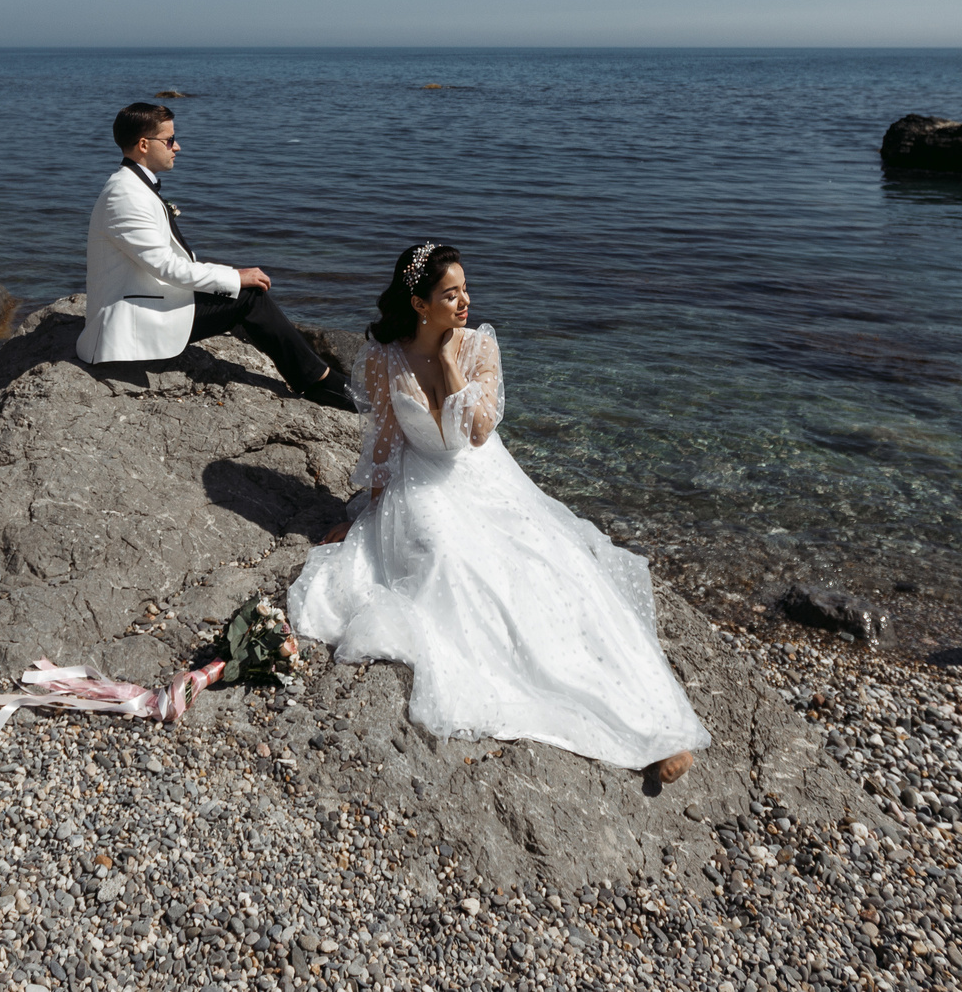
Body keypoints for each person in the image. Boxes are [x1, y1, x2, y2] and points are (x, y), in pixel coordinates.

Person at [285, 241, 707, 782]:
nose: (465, 301)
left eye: (465, 289)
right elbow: (387, 445)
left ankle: (656, 728)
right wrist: (367, 514)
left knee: (559, 568)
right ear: (419, 304)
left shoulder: (480, 347)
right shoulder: (386, 357)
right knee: (448, 558)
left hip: (484, 475)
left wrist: (447, 358)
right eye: (450, 293)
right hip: (422, 482)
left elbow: (479, 432)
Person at [77, 101, 355, 410]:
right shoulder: (125, 195)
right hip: (131, 321)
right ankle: (319, 383)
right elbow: (166, 267)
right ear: (144, 144)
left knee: (240, 294)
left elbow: (175, 262)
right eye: (169, 140)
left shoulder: (131, 186)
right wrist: (234, 277)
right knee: (248, 297)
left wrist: (227, 278)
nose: (177, 147)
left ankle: (314, 375)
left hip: (145, 299)